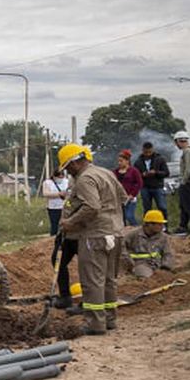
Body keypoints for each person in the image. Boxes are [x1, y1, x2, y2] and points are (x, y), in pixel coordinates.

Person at [58, 143, 128, 335]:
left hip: (95, 236)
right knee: (109, 280)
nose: (68, 172)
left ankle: (95, 323)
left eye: (67, 167)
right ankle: (110, 319)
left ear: (74, 162)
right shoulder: (106, 173)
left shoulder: (84, 179)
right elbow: (123, 197)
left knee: (92, 281)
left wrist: (71, 222)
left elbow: (92, 207)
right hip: (115, 233)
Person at [122, 210, 175, 278]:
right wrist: (130, 263)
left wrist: (166, 267)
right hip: (140, 264)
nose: (162, 226)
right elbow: (122, 248)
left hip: (157, 265)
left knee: (165, 277)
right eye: (159, 224)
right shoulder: (134, 235)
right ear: (149, 224)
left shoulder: (163, 237)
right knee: (146, 276)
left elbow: (168, 253)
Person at [133, 141, 170, 218]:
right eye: (146, 152)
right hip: (145, 187)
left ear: (152, 150)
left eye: (149, 152)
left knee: (162, 207)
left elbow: (166, 173)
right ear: (142, 151)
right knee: (147, 209)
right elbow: (135, 176)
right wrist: (142, 175)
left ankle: (164, 226)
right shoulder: (138, 162)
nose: (148, 154)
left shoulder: (160, 159)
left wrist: (156, 172)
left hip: (158, 186)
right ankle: (148, 226)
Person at [113, 149, 143, 226]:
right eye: (118, 161)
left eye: (121, 161)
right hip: (119, 198)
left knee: (129, 216)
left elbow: (139, 183)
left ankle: (136, 229)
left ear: (127, 161)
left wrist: (132, 194)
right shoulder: (115, 172)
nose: (119, 163)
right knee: (121, 217)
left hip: (131, 197)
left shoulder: (134, 171)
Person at [43, 169, 68, 236]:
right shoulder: (47, 183)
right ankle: (53, 238)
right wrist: (58, 194)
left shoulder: (66, 182)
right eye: (59, 177)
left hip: (64, 206)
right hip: (53, 207)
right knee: (55, 225)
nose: (60, 179)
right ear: (54, 176)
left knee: (64, 224)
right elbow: (46, 194)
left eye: (61, 177)